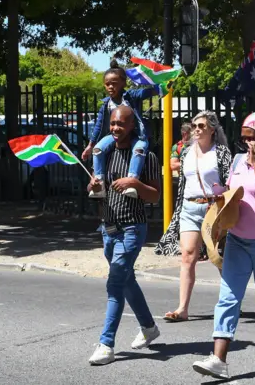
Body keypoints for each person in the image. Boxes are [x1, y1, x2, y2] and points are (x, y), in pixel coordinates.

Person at [192, 112, 255, 379]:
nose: (247, 144)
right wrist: (219, 195)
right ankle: (218, 359)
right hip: (238, 240)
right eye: (244, 138)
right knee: (228, 296)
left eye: (253, 138)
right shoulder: (237, 161)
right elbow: (233, 191)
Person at [87, 106, 162, 365]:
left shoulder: (146, 156)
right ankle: (149, 327)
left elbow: (155, 196)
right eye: (112, 124)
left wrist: (135, 184)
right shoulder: (105, 153)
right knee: (127, 280)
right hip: (108, 227)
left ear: (132, 126)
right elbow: (96, 189)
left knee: (115, 283)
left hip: (132, 228)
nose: (115, 129)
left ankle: (106, 344)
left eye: (121, 124)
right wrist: (94, 186)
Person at [157, 112, 231, 321]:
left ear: (212, 130)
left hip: (213, 209)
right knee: (188, 255)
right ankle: (182, 309)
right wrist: (179, 209)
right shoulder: (186, 152)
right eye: (194, 126)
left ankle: (231, 300)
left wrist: (221, 202)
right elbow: (183, 184)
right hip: (189, 208)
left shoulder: (222, 153)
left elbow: (230, 183)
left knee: (218, 258)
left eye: (201, 126)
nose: (196, 129)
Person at [83, 60, 157, 199]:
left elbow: (146, 92)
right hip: (114, 135)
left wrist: (160, 86)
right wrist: (90, 145)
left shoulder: (131, 96)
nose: (110, 86)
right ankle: (99, 184)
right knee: (98, 150)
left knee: (139, 150)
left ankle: (131, 182)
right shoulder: (106, 105)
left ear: (123, 83)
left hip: (136, 134)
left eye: (114, 83)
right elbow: (98, 127)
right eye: (107, 84)